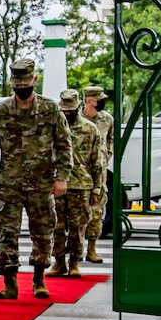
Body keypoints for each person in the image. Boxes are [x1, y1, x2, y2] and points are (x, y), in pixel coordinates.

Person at [0, 59, 69, 300]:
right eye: (17, 84)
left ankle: (39, 279)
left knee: (42, 233)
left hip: (41, 184)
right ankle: (10, 283)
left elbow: (63, 145)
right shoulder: (1, 111)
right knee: (7, 233)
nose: (21, 88)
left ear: (34, 81)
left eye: (25, 83)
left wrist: (61, 178)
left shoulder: (50, 109)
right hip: (10, 185)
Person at [49, 89, 102, 277]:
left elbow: (97, 162)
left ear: (78, 107)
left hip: (81, 185)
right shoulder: (52, 128)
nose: (67, 113)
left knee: (78, 227)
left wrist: (97, 188)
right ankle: (58, 262)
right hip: (57, 184)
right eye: (64, 110)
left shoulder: (90, 129)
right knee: (56, 226)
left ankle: (74, 263)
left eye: (70, 110)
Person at [80, 85, 115, 262]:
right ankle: (74, 251)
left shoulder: (106, 119)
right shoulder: (75, 118)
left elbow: (112, 139)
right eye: (99, 99)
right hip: (79, 172)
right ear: (89, 100)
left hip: (99, 174)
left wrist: (106, 156)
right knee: (76, 213)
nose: (102, 101)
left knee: (97, 211)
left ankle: (91, 250)